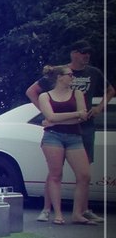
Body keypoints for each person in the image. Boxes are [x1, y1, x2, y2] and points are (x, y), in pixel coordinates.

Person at [25, 39, 113, 222]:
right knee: (55, 171)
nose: (86, 55)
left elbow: (109, 92)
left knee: (84, 172)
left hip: (82, 128)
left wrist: (99, 108)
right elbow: (32, 92)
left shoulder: (93, 73)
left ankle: (82, 210)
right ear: (73, 53)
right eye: (82, 52)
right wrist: (48, 114)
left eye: (88, 52)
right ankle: (48, 209)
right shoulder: (58, 72)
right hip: (55, 130)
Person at [36, 64, 96, 225]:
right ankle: (58, 213)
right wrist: (74, 114)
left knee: (84, 175)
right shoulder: (45, 96)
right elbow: (51, 116)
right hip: (53, 137)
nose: (72, 77)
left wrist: (56, 119)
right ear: (59, 77)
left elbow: (82, 117)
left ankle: (77, 213)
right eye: (69, 75)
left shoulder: (77, 93)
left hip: (74, 136)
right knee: (56, 175)